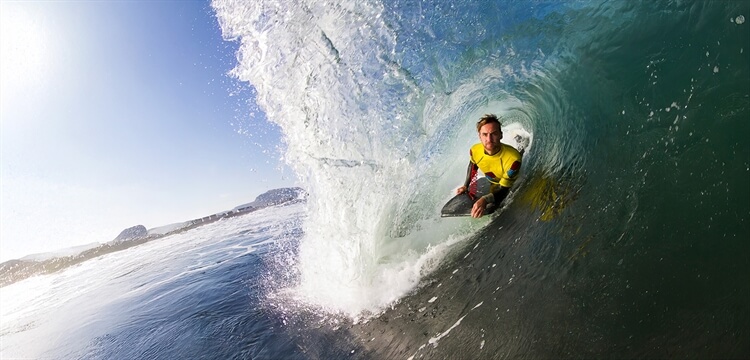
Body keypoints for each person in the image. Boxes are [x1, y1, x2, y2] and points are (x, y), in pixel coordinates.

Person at [456, 114, 522, 218]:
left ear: (501, 135)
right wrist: (466, 185)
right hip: (493, 181)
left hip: (510, 184)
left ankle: (521, 145)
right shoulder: (475, 150)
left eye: (494, 134)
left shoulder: (513, 160)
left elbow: (504, 190)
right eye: (485, 134)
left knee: (498, 206)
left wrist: (484, 199)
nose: (489, 139)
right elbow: (473, 165)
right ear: (480, 136)